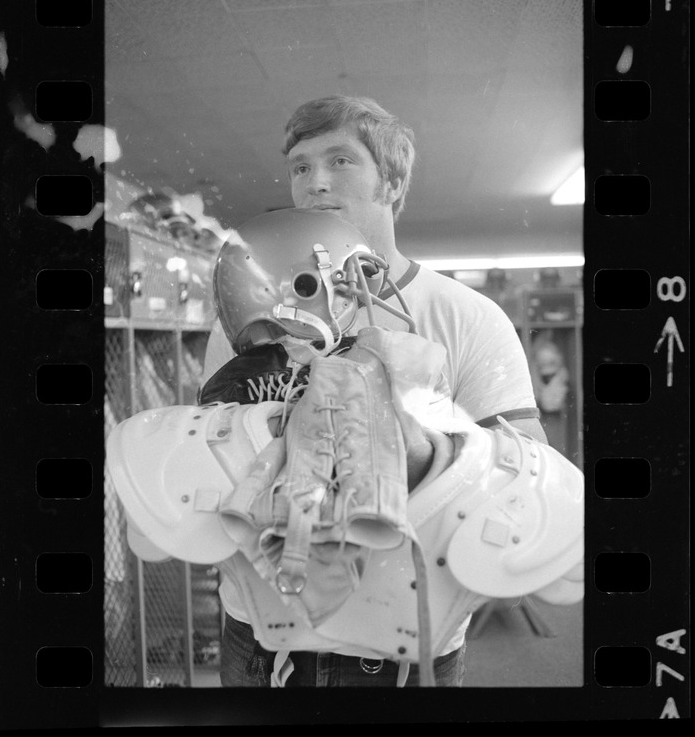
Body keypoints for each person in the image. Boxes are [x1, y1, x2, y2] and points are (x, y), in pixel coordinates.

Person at [202, 94, 550, 687]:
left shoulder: (467, 315)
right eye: (301, 167)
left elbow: (531, 467)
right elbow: (211, 451)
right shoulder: (241, 320)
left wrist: (419, 443)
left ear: (390, 181)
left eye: (340, 161)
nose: (315, 183)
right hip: (261, 623)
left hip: (410, 630)